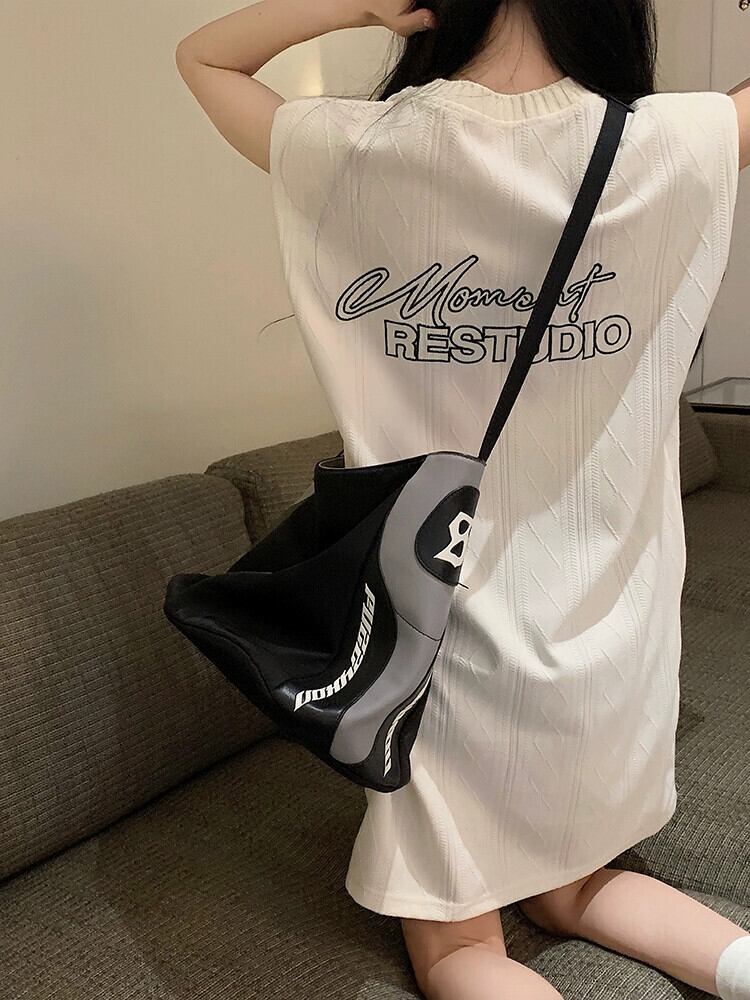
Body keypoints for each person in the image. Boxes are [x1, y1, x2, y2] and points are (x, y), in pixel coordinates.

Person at [173, 2, 750, 997]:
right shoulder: (674, 141)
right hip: (609, 629)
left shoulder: (357, 148)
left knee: (461, 946)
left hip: (433, 628)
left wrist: (356, 4)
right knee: (578, 884)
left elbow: (203, 58)